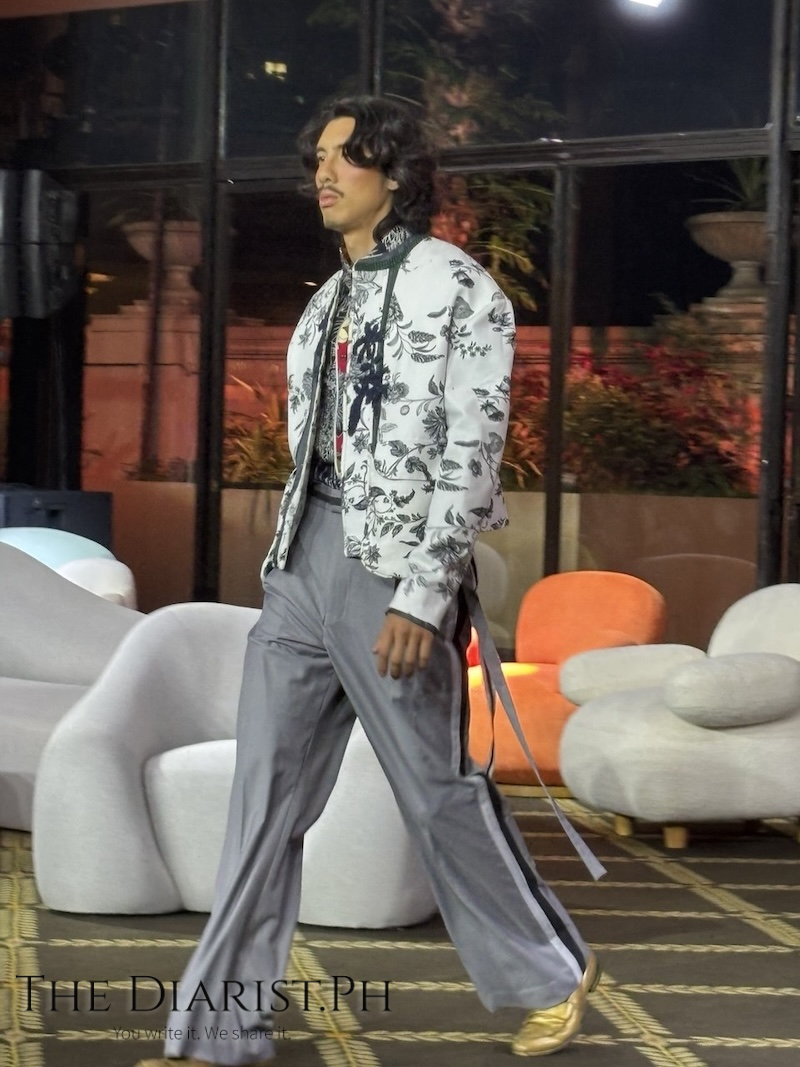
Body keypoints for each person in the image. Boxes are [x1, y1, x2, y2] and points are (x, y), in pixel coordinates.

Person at [136, 94, 598, 1067]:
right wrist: (290, 562)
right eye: (317, 156)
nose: (322, 172)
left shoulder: (460, 288)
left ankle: (549, 970)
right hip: (301, 565)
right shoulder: (324, 301)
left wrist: (422, 594)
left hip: (390, 573)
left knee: (434, 792)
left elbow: (470, 456)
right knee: (261, 800)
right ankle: (218, 1028)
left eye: (344, 156)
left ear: (394, 173)